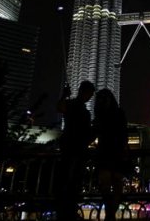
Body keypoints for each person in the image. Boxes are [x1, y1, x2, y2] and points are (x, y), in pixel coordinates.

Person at [56, 80, 96, 221]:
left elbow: (60, 107)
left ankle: (67, 211)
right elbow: (60, 108)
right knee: (71, 182)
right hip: (74, 149)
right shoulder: (78, 108)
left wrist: (64, 96)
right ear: (84, 92)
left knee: (71, 182)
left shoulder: (80, 108)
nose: (90, 97)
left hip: (73, 148)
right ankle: (67, 212)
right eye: (90, 94)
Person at [92, 88, 128, 221]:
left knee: (116, 182)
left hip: (115, 152)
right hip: (105, 153)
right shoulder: (100, 115)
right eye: (100, 99)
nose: (103, 101)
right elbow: (95, 132)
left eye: (105, 98)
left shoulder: (118, 113)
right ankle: (110, 212)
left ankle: (110, 212)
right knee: (106, 183)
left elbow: (124, 134)